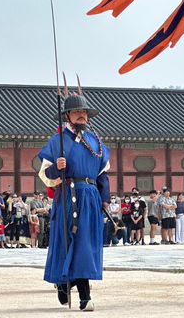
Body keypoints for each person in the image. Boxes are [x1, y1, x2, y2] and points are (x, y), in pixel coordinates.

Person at [37, 91, 111, 312]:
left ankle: (76, 288)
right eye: (76, 112)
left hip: (90, 196)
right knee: (70, 240)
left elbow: (103, 174)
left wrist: (104, 199)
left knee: (86, 244)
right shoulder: (58, 140)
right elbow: (46, 175)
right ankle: (74, 289)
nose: (81, 115)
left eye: (84, 112)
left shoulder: (95, 140)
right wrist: (55, 166)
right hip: (68, 194)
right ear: (67, 115)